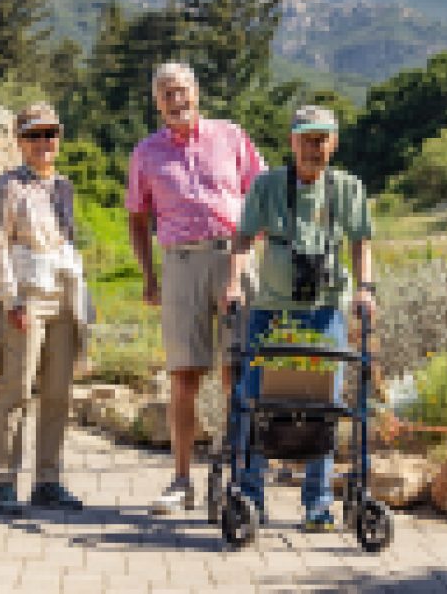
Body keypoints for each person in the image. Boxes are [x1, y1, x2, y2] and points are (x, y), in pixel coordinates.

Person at [221, 105, 377, 531]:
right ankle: (249, 496)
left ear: (335, 142)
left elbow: (361, 241)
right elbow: (241, 240)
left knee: (323, 407)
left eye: (322, 138)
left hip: (324, 311)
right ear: (291, 142)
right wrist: (234, 284)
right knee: (257, 404)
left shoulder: (347, 188)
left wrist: (366, 289)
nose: (314, 147)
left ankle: (318, 506)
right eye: (306, 138)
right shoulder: (267, 186)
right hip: (272, 310)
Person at [126, 62, 265, 514]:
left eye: (182, 90)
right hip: (180, 263)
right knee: (184, 376)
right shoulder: (146, 153)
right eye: (166, 93)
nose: (175, 99)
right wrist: (149, 276)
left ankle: (238, 478)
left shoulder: (231, 135)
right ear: (157, 102)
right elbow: (136, 216)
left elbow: (260, 192)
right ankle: (181, 480)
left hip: (233, 258)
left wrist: (254, 251)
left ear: (196, 93)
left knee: (236, 373)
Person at [0, 102, 89, 515]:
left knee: (58, 393)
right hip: (26, 295)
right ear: (20, 141)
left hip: (63, 295)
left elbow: (67, 242)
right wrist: (9, 298)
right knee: (17, 389)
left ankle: (48, 479)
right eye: (34, 135)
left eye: (50, 134)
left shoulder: (64, 187)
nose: (43, 142)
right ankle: (4, 482)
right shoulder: (8, 186)